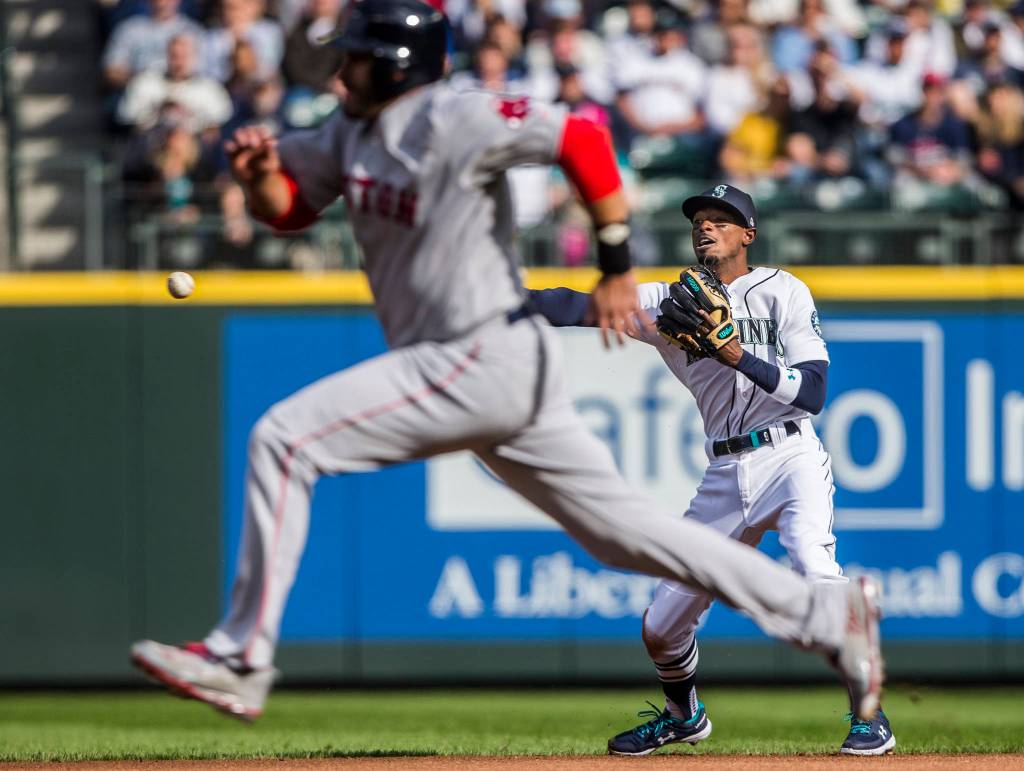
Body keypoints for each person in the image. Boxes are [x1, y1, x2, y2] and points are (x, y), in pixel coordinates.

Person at [129, 0, 883, 729]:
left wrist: (617, 262)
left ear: (394, 66)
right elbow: (287, 207)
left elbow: (584, 137)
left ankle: (239, 652)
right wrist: (260, 173)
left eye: (353, 60)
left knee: (284, 439)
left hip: (476, 348)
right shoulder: (345, 132)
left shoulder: (457, 114)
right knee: (623, 535)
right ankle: (827, 614)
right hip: (486, 366)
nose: (338, 75)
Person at [526, 183, 896, 756]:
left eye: (721, 219)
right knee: (661, 626)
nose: (706, 226)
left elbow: (815, 393)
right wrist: (500, 303)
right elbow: (573, 303)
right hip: (724, 472)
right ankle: (683, 716)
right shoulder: (665, 300)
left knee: (815, 570)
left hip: (791, 455)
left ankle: (869, 717)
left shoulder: (784, 291)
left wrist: (736, 356)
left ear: (748, 233)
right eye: (700, 218)